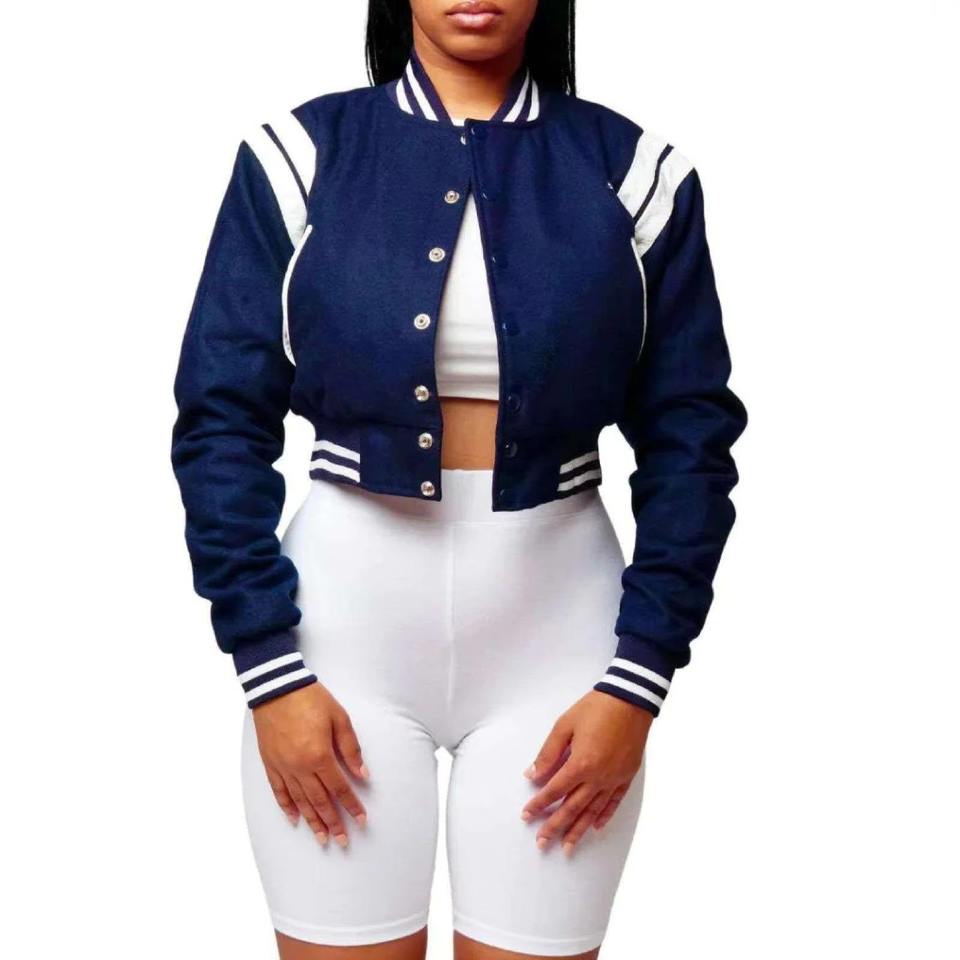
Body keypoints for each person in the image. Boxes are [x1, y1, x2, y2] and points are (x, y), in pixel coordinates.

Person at [171, 1, 747, 957]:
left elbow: (692, 440)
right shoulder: (298, 156)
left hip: (566, 656)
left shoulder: (638, 172)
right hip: (335, 647)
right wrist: (269, 669)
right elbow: (220, 419)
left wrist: (638, 680)